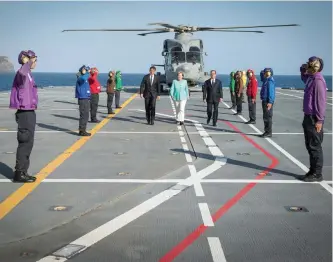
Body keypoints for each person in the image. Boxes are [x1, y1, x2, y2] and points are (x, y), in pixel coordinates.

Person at [9, 50, 38, 183]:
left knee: (29, 142)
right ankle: (19, 173)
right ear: (26, 60)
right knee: (25, 141)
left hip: (29, 111)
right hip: (24, 112)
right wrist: (26, 62)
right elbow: (21, 72)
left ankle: (23, 171)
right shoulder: (22, 73)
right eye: (34, 60)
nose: (35, 63)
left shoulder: (29, 74)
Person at [300, 56, 327, 182]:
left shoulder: (318, 81)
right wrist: (302, 71)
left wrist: (320, 120)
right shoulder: (311, 78)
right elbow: (304, 78)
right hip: (308, 117)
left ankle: (317, 174)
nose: (308, 66)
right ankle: (312, 170)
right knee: (310, 145)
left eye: (309, 64)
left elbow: (320, 102)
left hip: (314, 118)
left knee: (315, 146)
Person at [75, 65, 91, 136]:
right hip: (83, 99)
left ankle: (83, 130)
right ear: (81, 71)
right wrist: (87, 72)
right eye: (84, 69)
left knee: (86, 115)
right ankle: (82, 131)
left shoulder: (84, 77)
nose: (86, 70)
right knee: (84, 115)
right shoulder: (80, 78)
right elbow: (84, 78)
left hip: (86, 98)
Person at [260, 68, 276, 137]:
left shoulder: (270, 81)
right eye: (265, 72)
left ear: (270, 73)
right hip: (264, 100)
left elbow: (271, 92)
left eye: (267, 72)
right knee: (265, 117)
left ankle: (268, 132)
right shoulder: (266, 80)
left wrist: (270, 102)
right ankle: (266, 131)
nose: (266, 73)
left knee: (268, 117)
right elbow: (261, 77)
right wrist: (262, 72)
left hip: (267, 101)